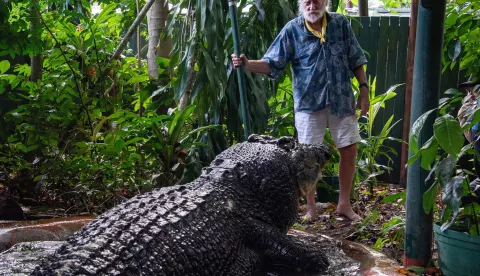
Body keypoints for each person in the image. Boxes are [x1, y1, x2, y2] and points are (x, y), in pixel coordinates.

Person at [232, 0, 369, 222]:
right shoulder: (292, 29)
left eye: (316, 0)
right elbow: (272, 63)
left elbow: (356, 59)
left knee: (349, 148)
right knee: (307, 157)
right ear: (300, 4)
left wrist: (364, 88)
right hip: (308, 104)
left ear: (325, 2)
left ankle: (344, 204)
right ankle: (311, 208)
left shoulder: (340, 23)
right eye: (307, 0)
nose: (312, 4)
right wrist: (248, 65)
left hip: (341, 99)